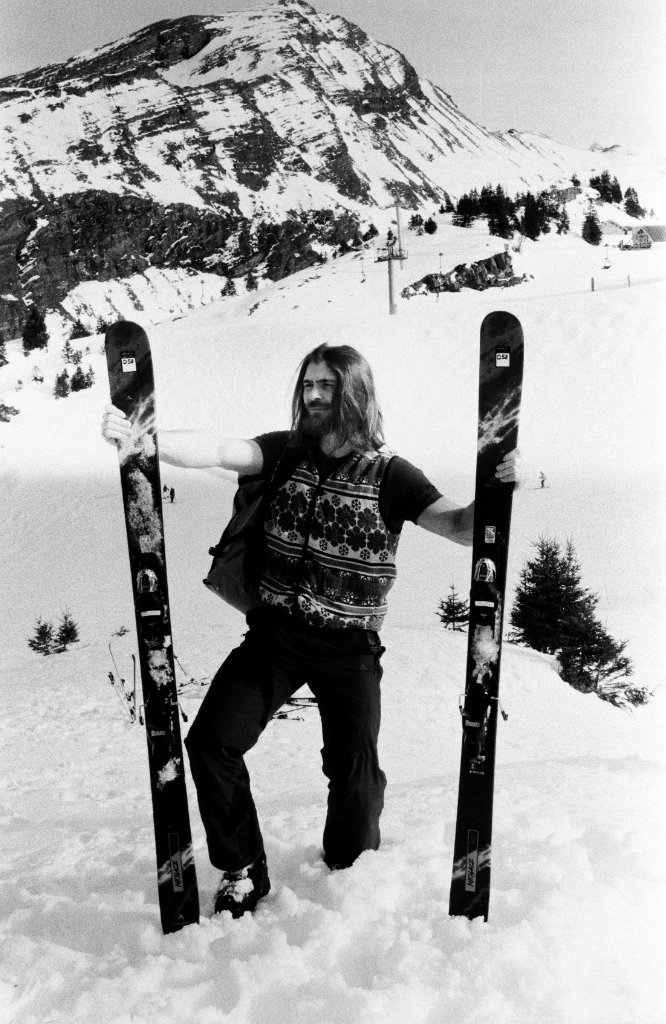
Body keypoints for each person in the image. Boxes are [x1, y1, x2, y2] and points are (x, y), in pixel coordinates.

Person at [101, 343, 521, 918]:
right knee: (212, 742)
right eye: (308, 385)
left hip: (348, 648)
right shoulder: (285, 451)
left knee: (354, 774)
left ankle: (350, 866)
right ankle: (243, 869)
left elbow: (457, 526)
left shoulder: (391, 474)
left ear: (356, 393)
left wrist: (501, 490)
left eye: (328, 385)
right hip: (275, 636)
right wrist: (147, 439)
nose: (315, 396)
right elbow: (221, 448)